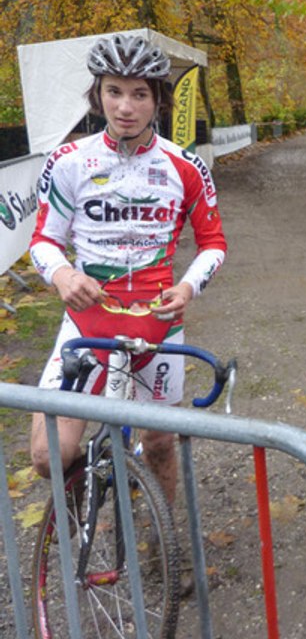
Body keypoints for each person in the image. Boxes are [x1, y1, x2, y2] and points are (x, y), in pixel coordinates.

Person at [29, 33, 228, 508]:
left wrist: (188, 285)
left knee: (159, 443)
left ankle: (166, 546)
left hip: (157, 322)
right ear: (97, 95)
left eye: (139, 93)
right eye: (114, 91)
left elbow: (214, 244)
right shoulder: (69, 162)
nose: (125, 106)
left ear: (158, 100)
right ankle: (83, 498)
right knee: (46, 455)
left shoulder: (185, 167)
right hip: (87, 319)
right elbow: (43, 241)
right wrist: (63, 276)